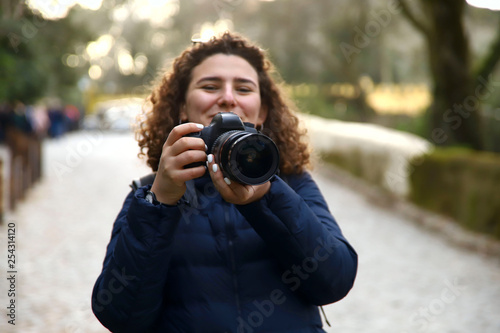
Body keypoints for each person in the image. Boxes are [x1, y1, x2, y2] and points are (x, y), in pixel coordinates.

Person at [91, 32, 357, 333]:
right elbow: (121, 317)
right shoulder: (151, 194)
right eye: (210, 86)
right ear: (181, 107)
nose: (228, 97)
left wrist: (267, 196)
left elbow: (334, 282)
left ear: (263, 110)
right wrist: (161, 201)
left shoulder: (292, 183)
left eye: (243, 88)